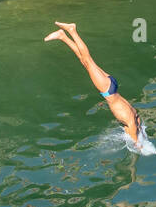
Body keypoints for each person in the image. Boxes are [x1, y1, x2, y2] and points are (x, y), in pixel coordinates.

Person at [44, 22, 148, 150]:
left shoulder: (135, 117)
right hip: (107, 91)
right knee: (87, 60)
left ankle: (62, 36)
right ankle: (72, 30)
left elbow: (138, 129)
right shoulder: (132, 124)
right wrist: (139, 149)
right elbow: (137, 143)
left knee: (85, 62)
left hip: (112, 85)